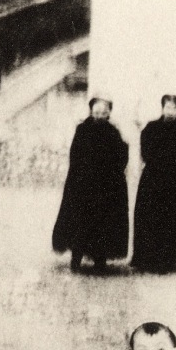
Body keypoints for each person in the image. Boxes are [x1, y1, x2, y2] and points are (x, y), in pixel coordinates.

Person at [52, 96, 129, 273]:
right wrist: (79, 177)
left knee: (102, 223)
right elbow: (75, 156)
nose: (100, 115)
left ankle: (100, 259)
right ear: (91, 111)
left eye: (103, 112)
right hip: (83, 185)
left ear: (109, 113)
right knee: (81, 222)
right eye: (96, 112)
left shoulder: (113, 132)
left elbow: (120, 159)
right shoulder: (82, 130)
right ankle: (76, 258)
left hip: (105, 188)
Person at [130, 95, 176, 273]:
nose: (170, 112)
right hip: (154, 181)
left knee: (174, 219)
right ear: (162, 108)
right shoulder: (152, 128)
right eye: (167, 107)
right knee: (151, 217)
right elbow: (146, 152)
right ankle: (146, 257)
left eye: (174, 109)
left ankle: (172, 258)